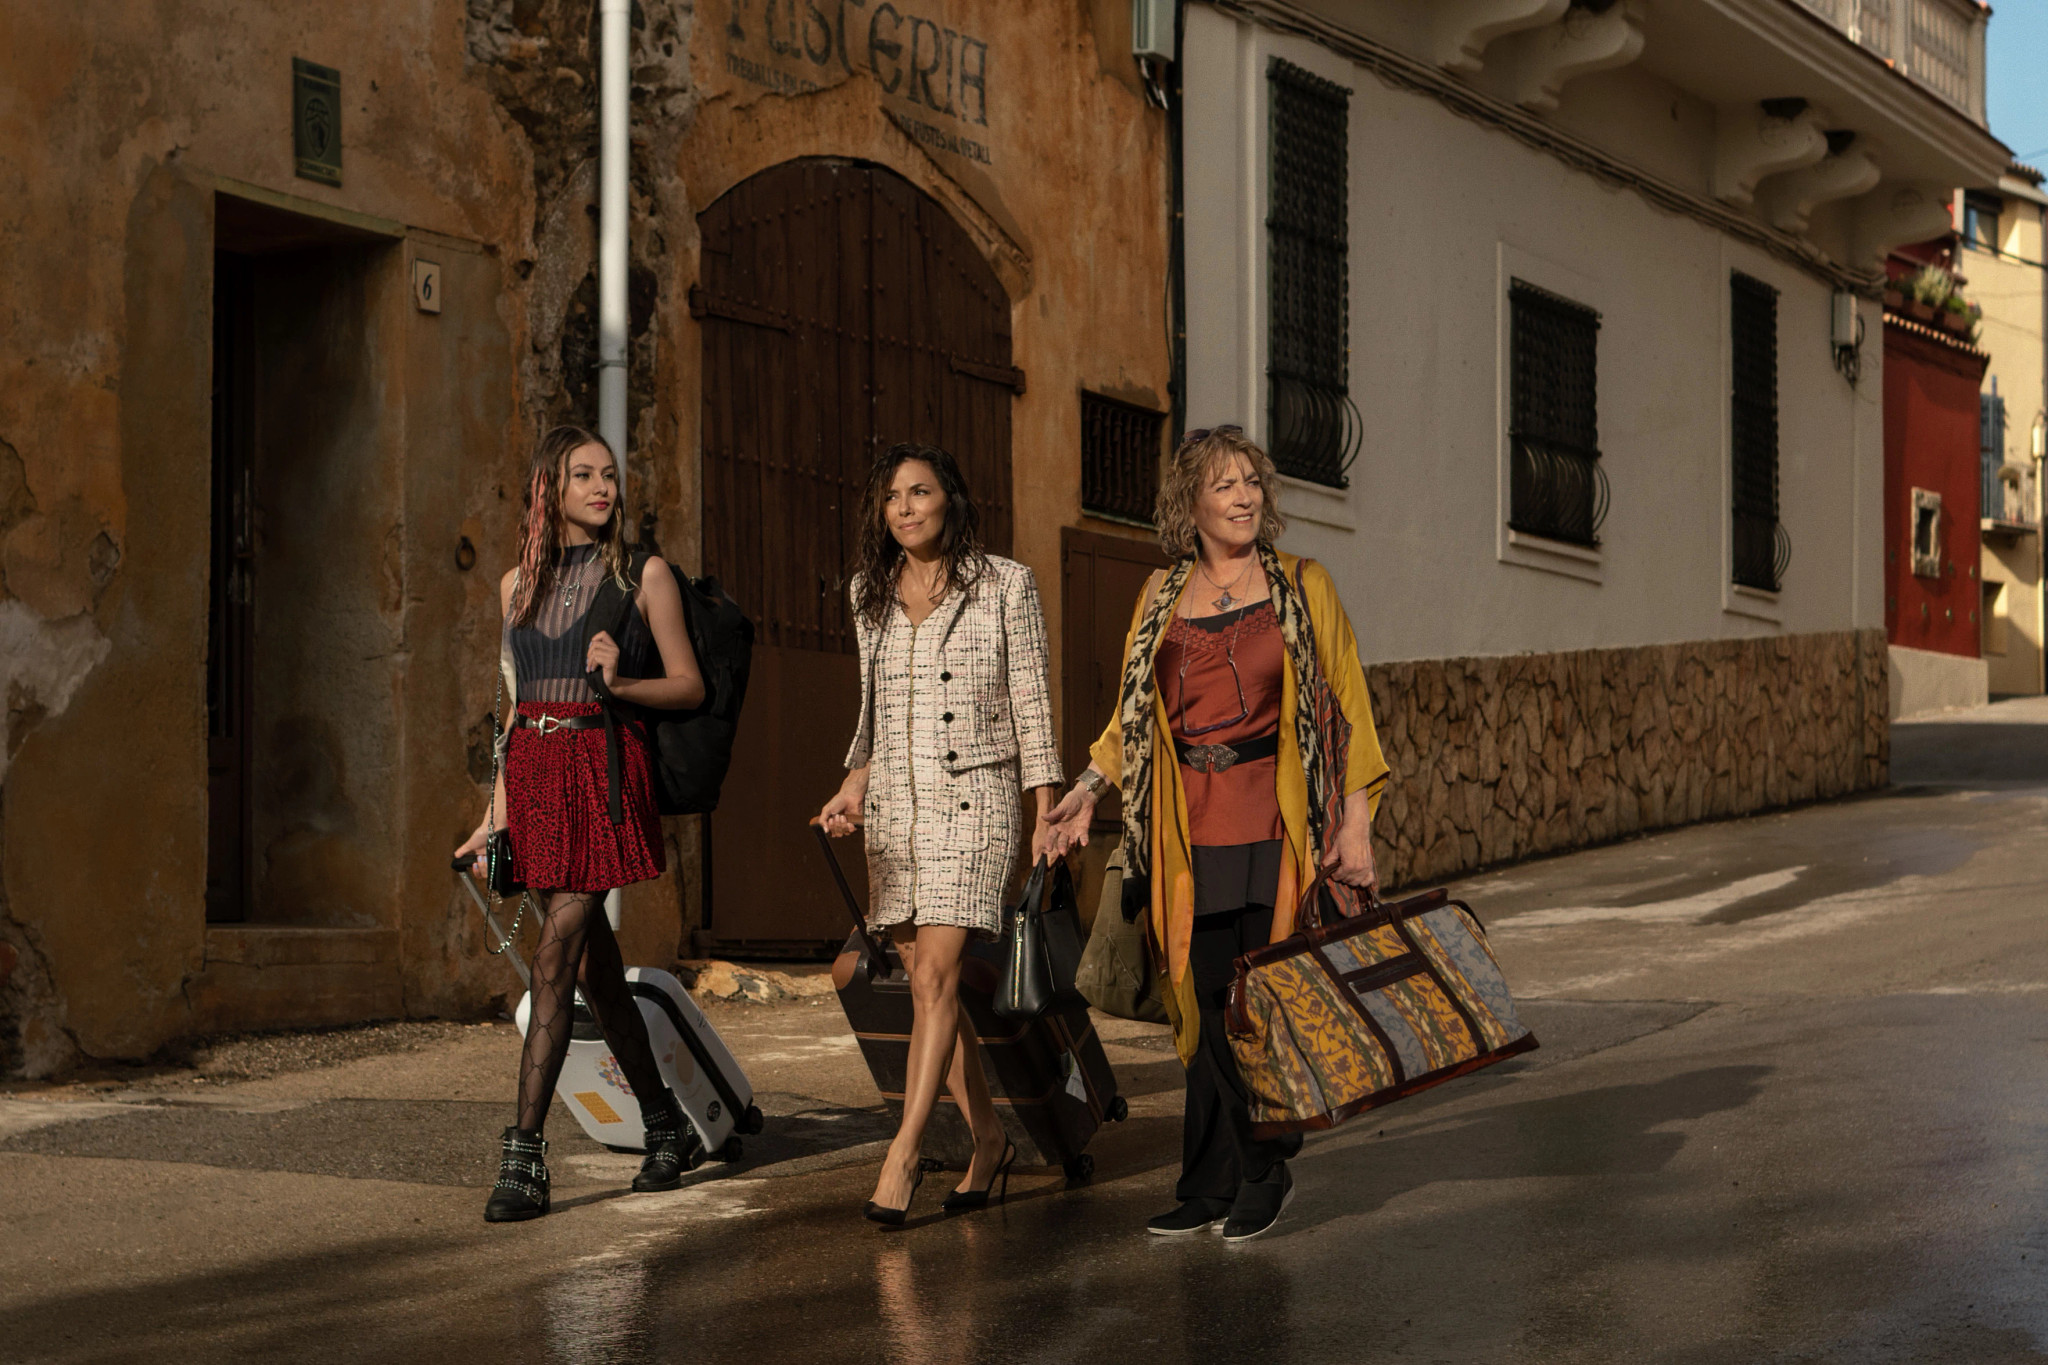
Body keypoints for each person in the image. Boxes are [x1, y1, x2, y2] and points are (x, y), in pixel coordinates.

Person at [1044, 426, 1389, 1243]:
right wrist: (1087, 790)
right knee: (1198, 1003)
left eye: (1252, 483)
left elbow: (1346, 711)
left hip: (1272, 821)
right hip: (1181, 833)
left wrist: (1357, 825)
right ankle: (1207, 1180)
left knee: (1253, 1002)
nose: (1243, 497)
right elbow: (1135, 717)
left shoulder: (1304, 585)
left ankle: (1265, 1169)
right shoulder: (1161, 595)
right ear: (1189, 503)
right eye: (1225, 484)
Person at [455, 424, 706, 1223]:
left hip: (601, 774)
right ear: (549, 489)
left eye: (609, 475)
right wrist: (486, 820)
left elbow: (689, 686)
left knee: (554, 957)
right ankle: (666, 1126)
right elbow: (517, 711)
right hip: (533, 777)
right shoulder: (513, 589)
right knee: (597, 970)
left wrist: (620, 678)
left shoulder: (644, 575)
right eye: (582, 475)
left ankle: (525, 1158)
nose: (602, 487)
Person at [816, 442, 1064, 1225]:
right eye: (892, 498)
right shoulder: (869, 593)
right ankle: (989, 1140)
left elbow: (1031, 699)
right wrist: (853, 786)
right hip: (897, 805)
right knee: (933, 982)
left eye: (920, 492)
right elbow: (876, 713)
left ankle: (905, 1153)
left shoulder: (1004, 584)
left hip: (977, 799)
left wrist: (1046, 808)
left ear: (949, 498)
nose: (906, 508)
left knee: (933, 979)